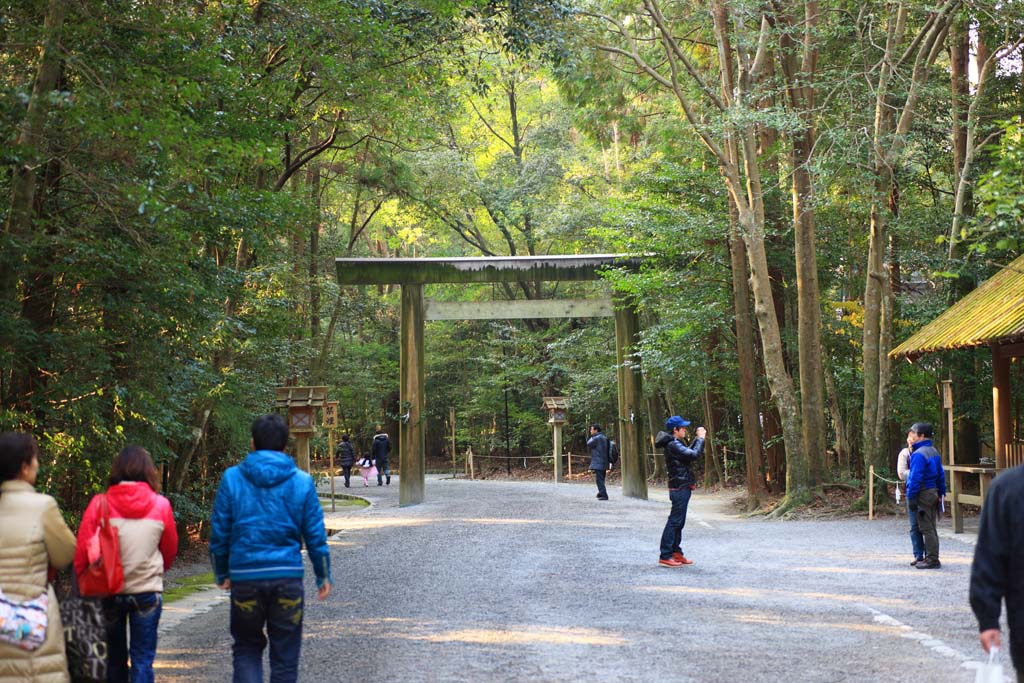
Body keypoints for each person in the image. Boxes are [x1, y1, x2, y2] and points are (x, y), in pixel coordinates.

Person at [210, 414, 332, 683]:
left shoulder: (232, 479)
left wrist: (222, 572)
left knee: (246, 647)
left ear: (252, 443)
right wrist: (322, 574)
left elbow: (219, 531)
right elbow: (315, 535)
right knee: (285, 658)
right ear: (285, 446)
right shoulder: (301, 481)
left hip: (245, 578)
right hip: (287, 578)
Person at [74, 446, 178, 683]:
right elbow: (170, 550)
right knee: (142, 660)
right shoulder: (161, 505)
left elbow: (82, 550)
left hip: (109, 591)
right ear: (149, 472)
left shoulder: (100, 504)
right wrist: (156, 571)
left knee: (114, 661)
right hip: (147, 591)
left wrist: (82, 584)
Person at [0, 432, 77, 682]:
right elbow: (65, 555)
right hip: (31, 619)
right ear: (24, 467)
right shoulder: (42, 506)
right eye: (35, 460)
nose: (37, 466)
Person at [970, 463, 1024, 682]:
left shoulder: (1007, 487)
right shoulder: (1008, 489)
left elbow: (989, 560)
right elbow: (990, 559)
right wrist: (988, 619)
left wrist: (988, 619)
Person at [655, 416, 706, 568]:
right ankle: (665, 554)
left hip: (681, 486)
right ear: (675, 430)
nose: (685, 429)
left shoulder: (675, 443)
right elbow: (694, 455)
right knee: (675, 521)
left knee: (679, 521)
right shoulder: (673, 444)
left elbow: (688, 453)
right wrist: (701, 439)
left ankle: (676, 552)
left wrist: (698, 439)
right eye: (682, 428)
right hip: (679, 487)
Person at [905, 422, 945, 570]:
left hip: (923, 493)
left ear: (921, 436)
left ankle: (932, 559)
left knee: (926, 527)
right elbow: (941, 475)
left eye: (914, 433)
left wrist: (911, 497)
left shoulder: (919, 454)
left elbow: (915, 477)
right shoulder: (933, 451)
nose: (911, 435)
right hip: (933, 491)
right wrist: (941, 492)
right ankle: (931, 556)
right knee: (931, 526)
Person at [897, 432, 926, 566]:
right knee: (914, 525)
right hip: (912, 491)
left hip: (927, 491)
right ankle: (918, 554)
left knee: (928, 525)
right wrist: (917, 472)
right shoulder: (905, 454)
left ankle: (930, 555)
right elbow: (901, 474)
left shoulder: (925, 452)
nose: (911, 440)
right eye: (909, 437)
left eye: (914, 438)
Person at [587, 424, 610, 500]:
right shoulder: (604, 437)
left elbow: (588, 443)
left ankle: (604, 495)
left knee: (599, 479)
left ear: (596, 430)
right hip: (604, 461)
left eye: (591, 429)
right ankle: (601, 493)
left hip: (598, 462)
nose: (590, 431)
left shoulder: (596, 438)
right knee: (601, 478)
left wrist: (592, 437)